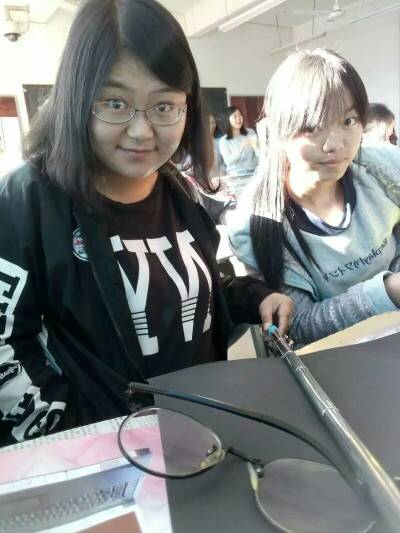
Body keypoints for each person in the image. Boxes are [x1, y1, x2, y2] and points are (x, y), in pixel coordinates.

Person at [0, 0, 293, 446]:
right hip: (105, 457)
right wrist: (75, 439)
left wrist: (255, 297)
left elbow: (187, 289)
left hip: (202, 439)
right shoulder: (29, 201)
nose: (142, 131)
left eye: (164, 106)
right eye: (115, 103)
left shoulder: (179, 189)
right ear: (77, 99)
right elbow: (6, 344)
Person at [228, 48, 400, 346]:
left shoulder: (382, 167)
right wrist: (388, 291)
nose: (335, 144)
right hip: (334, 360)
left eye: (348, 121)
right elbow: (299, 325)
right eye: (312, 127)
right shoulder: (258, 222)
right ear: (279, 129)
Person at [219, 106, 259, 197]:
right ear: (227, 119)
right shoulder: (224, 141)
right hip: (236, 177)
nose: (239, 118)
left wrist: (256, 147)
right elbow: (228, 161)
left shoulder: (250, 132)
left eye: (240, 115)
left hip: (252, 174)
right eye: (235, 116)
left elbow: (259, 154)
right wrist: (241, 148)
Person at [208, 112, 225, 178]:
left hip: (220, 177)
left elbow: (225, 161)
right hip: (204, 179)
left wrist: (222, 171)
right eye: (208, 123)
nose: (211, 125)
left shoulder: (220, 141)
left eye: (213, 123)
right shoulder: (198, 143)